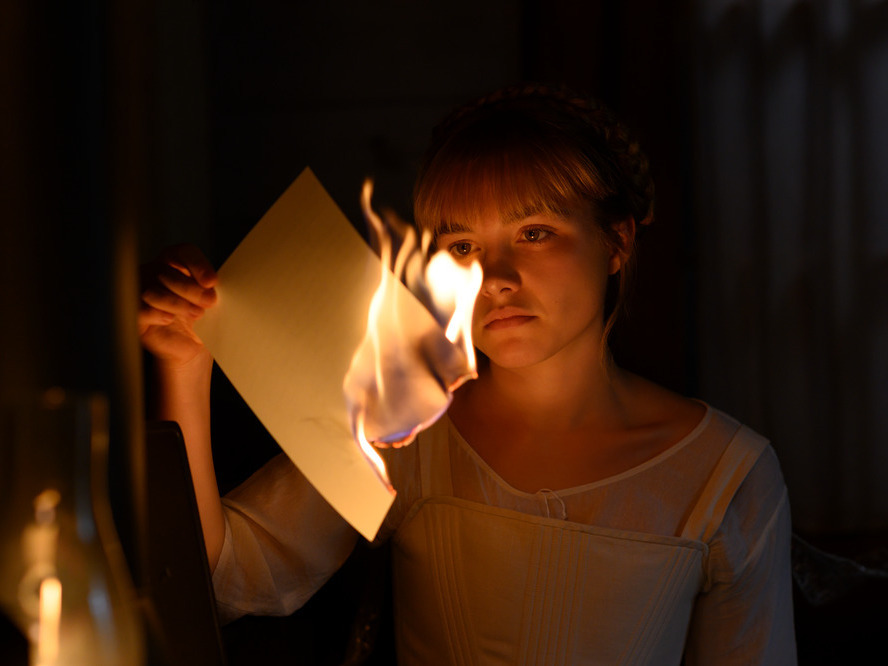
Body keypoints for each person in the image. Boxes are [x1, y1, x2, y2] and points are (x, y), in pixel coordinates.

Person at [139, 84, 796, 664]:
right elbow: (219, 583)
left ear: (617, 241)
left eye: (534, 233)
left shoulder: (726, 476)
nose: (497, 279)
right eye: (463, 248)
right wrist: (185, 365)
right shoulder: (406, 431)